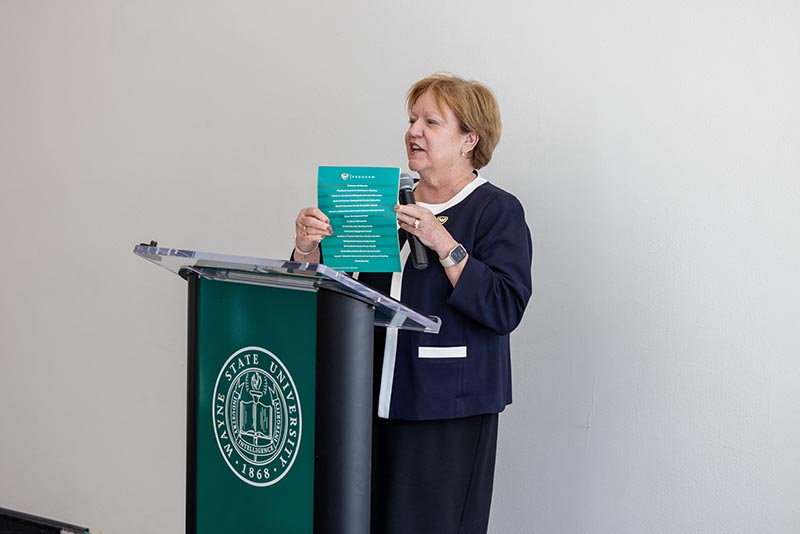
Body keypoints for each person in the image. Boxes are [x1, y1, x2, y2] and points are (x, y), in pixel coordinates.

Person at [292, 73, 533, 534]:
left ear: (470, 140)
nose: (413, 131)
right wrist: (308, 249)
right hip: (362, 399)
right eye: (411, 119)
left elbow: (506, 307)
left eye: (431, 122)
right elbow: (334, 293)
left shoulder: (496, 210)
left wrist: (445, 245)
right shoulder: (380, 201)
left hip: (447, 409)